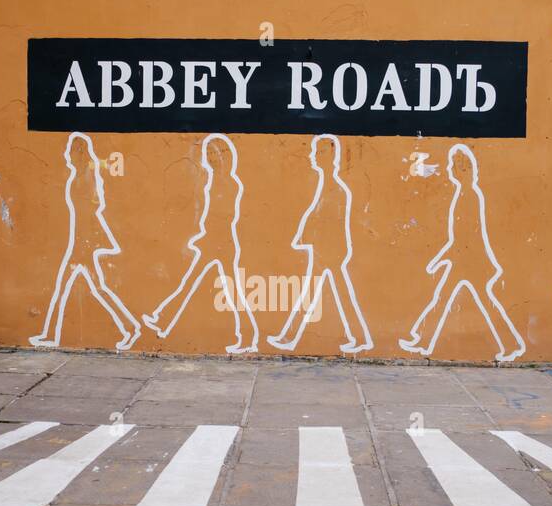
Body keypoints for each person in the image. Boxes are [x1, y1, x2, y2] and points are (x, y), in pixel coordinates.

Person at [399, 142, 526, 361]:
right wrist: (442, 259)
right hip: (465, 260)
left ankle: (510, 344)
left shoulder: (469, 196)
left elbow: (465, 237)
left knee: (475, 303)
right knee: (445, 300)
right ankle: (422, 339)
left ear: (465, 169)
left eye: (454, 165)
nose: (450, 169)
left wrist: (439, 260)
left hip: (471, 261)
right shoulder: (465, 195)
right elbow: (460, 239)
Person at [143, 133, 259, 354]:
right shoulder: (212, 182)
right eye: (208, 154)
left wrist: (205, 236)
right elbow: (211, 216)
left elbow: (225, 216)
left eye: (215, 155)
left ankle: (248, 335)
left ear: (225, 158)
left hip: (223, 243)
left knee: (230, 292)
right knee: (189, 285)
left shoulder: (229, 183)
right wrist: (202, 235)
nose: (210, 158)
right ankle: (163, 320)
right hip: (213, 241)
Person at [29, 132, 141, 351]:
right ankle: (129, 328)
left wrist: (91, 239)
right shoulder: (78, 177)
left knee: (81, 288)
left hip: (84, 242)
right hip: (80, 241)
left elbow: (95, 206)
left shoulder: (87, 177)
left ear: (79, 153)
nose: (67, 154)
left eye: (71, 150)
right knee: (92, 288)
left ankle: (130, 328)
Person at [268, 134, 373, 354]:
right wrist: (303, 236)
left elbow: (328, 220)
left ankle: (289, 337)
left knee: (320, 295)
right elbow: (316, 215)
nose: (313, 155)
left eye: (320, 152)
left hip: (330, 251)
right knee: (326, 294)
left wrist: (305, 236)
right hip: (325, 250)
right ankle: (358, 338)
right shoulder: (328, 185)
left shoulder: (336, 188)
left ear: (331, 157)